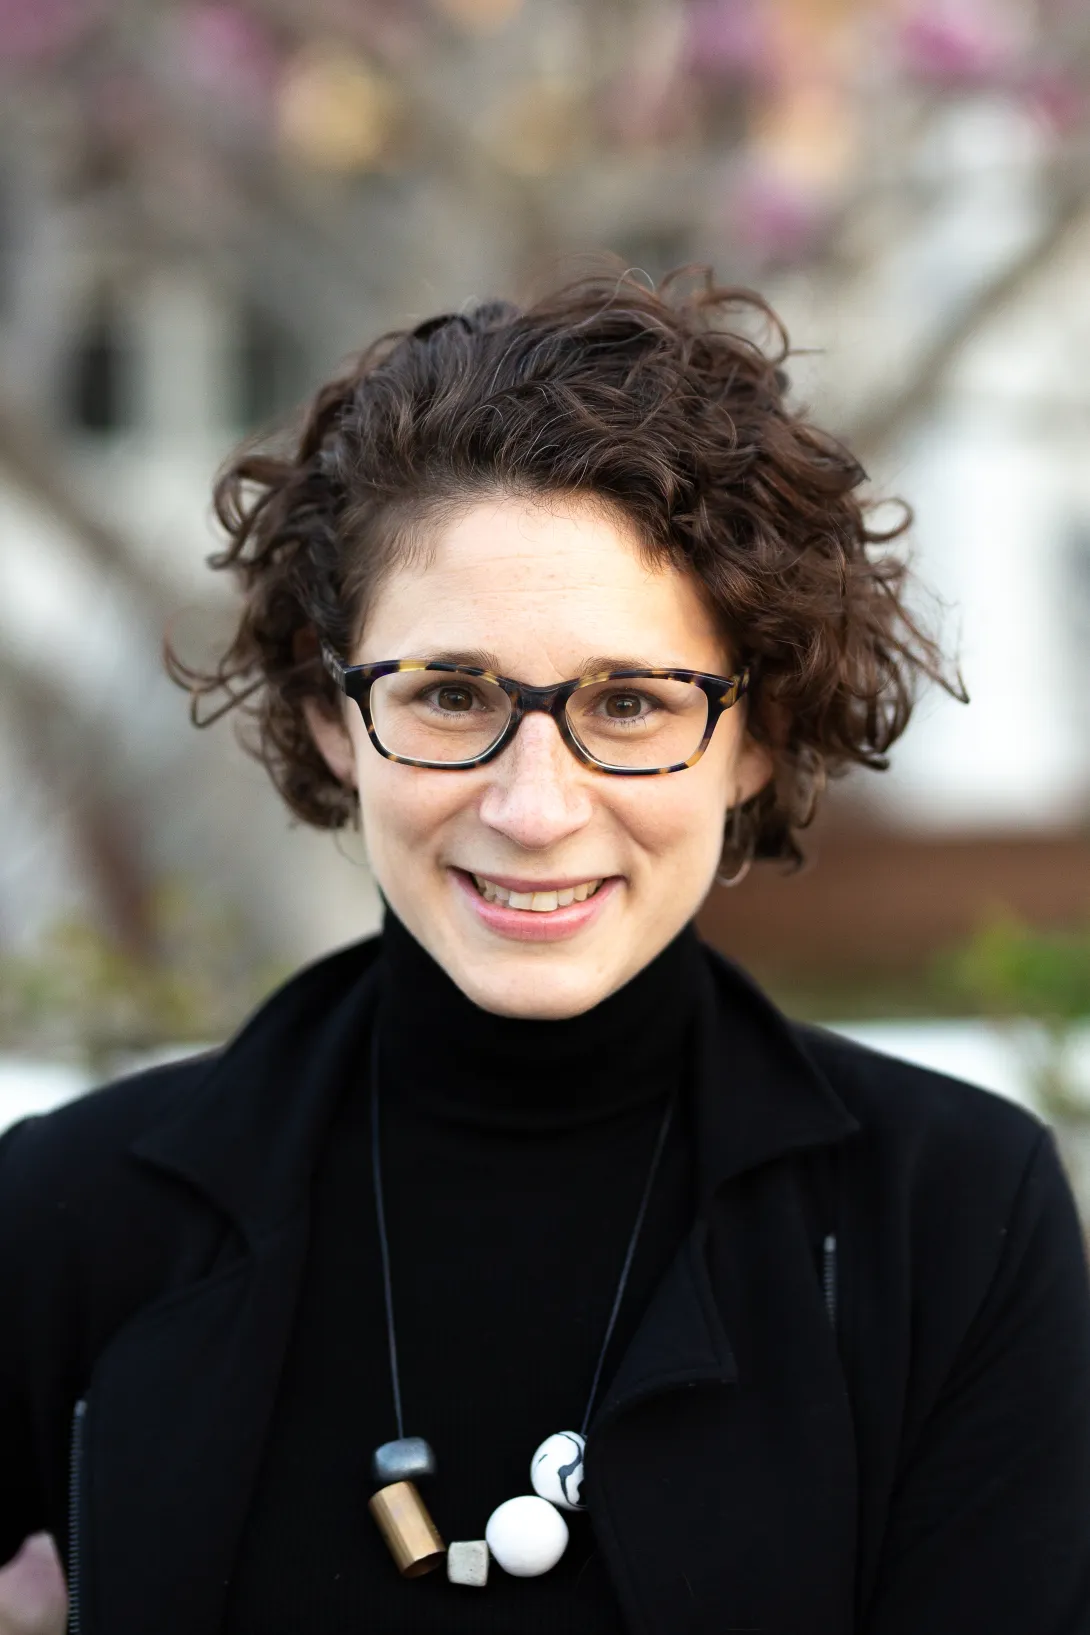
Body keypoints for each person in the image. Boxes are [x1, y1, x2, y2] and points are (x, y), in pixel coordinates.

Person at [2, 266, 1089, 1635]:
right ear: (331, 712)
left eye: (628, 701)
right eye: (450, 694)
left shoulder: (949, 1220)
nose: (532, 805)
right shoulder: (73, 1213)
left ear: (753, 735)